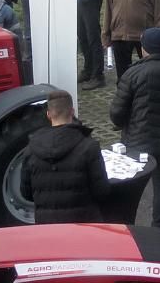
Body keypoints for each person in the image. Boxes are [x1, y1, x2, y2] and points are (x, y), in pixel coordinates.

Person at [109, 27, 160, 229]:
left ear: (144, 49)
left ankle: (127, 227)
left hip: (136, 141)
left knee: (130, 186)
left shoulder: (132, 74)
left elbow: (117, 114)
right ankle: (158, 227)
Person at [20, 89, 109, 224]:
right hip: (84, 223)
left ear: (49, 115)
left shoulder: (30, 150)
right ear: (72, 112)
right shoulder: (89, 146)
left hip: (46, 224)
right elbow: (101, 192)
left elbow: (26, 193)